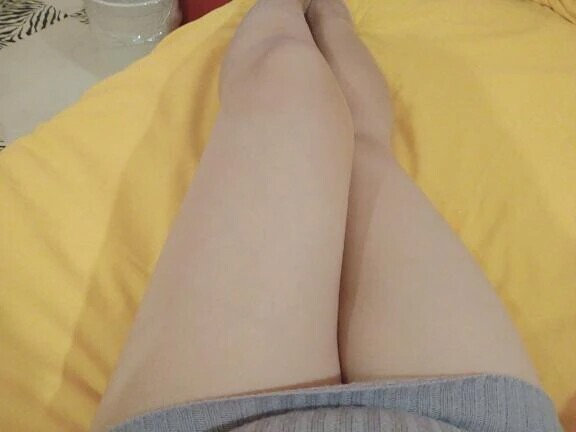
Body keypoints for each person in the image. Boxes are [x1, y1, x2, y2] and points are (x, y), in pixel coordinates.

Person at [91, 0, 562, 430]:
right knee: (360, 144)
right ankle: (328, 13)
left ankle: (306, 8)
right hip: (469, 420)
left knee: (279, 68)